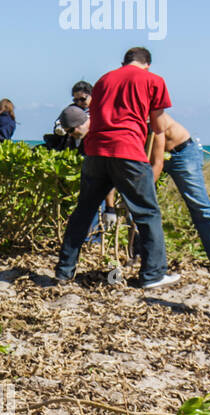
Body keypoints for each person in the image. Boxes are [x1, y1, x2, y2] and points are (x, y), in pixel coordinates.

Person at [54, 47, 180, 288]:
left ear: (123, 62)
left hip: (96, 151)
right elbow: (157, 125)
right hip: (128, 150)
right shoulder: (154, 80)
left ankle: (64, 271)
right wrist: (156, 162)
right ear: (148, 64)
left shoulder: (102, 81)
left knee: (84, 211)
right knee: (147, 212)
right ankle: (153, 275)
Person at [147, 112, 210, 276]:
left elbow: (158, 159)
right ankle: (141, 254)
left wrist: (145, 188)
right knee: (141, 206)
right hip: (154, 155)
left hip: (181, 152)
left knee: (201, 207)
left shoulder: (150, 108)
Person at [45, 82, 92, 150]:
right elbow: (59, 121)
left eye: (82, 99)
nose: (79, 102)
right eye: (76, 100)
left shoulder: (99, 110)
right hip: (72, 144)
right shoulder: (71, 109)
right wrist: (60, 128)